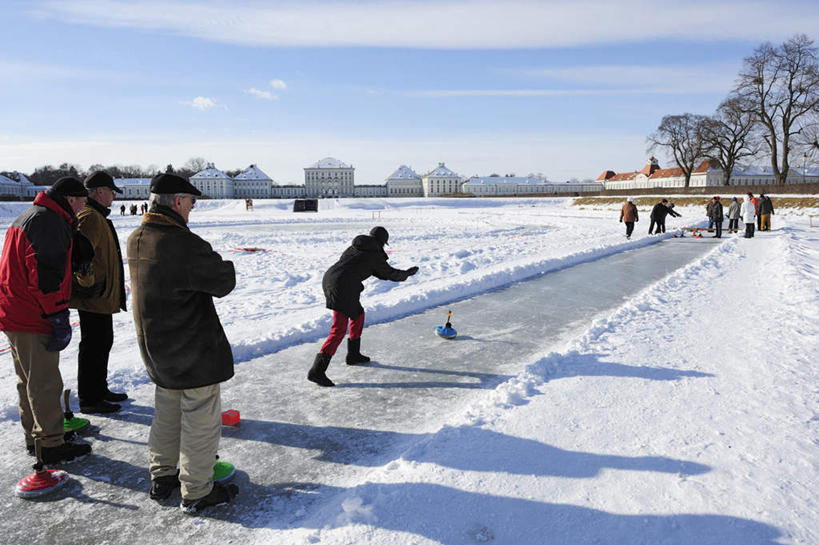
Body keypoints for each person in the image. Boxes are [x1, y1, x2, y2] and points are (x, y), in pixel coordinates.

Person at [127, 173, 239, 513]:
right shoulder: (182, 243)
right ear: (177, 202)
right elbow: (223, 281)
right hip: (192, 351)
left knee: (167, 413)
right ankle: (197, 490)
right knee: (200, 420)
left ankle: (163, 475)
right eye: (190, 202)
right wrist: (223, 263)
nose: (191, 209)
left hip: (157, 347)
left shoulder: (137, 237)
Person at [0, 177, 93, 464]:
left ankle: (37, 437)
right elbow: (44, 276)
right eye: (81, 201)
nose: (82, 208)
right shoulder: (48, 222)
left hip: (15, 311)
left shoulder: (32, 216)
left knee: (28, 380)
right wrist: (57, 313)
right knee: (44, 381)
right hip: (33, 314)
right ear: (70, 199)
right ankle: (51, 443)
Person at [309, 226, 419, 387]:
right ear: (382, 242)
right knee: (339, 329)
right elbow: (389, 273)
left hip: (331, 279)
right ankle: (317, 371)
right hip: (343, 286)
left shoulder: (356, 247)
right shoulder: (374, 254)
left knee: (358, 314)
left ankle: (353, 354)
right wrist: (407, 273)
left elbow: (367, 268)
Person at [70, 171, 128, 414]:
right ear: (100, 191)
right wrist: (89, 284)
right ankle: (90, 398)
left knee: (102, 342)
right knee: (94, 345)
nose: (114, 196)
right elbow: (80, 257)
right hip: (93, 296)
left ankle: (99, 390)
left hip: (100, 296)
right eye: (111, 191)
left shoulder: (96, 216)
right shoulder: (91, 217)